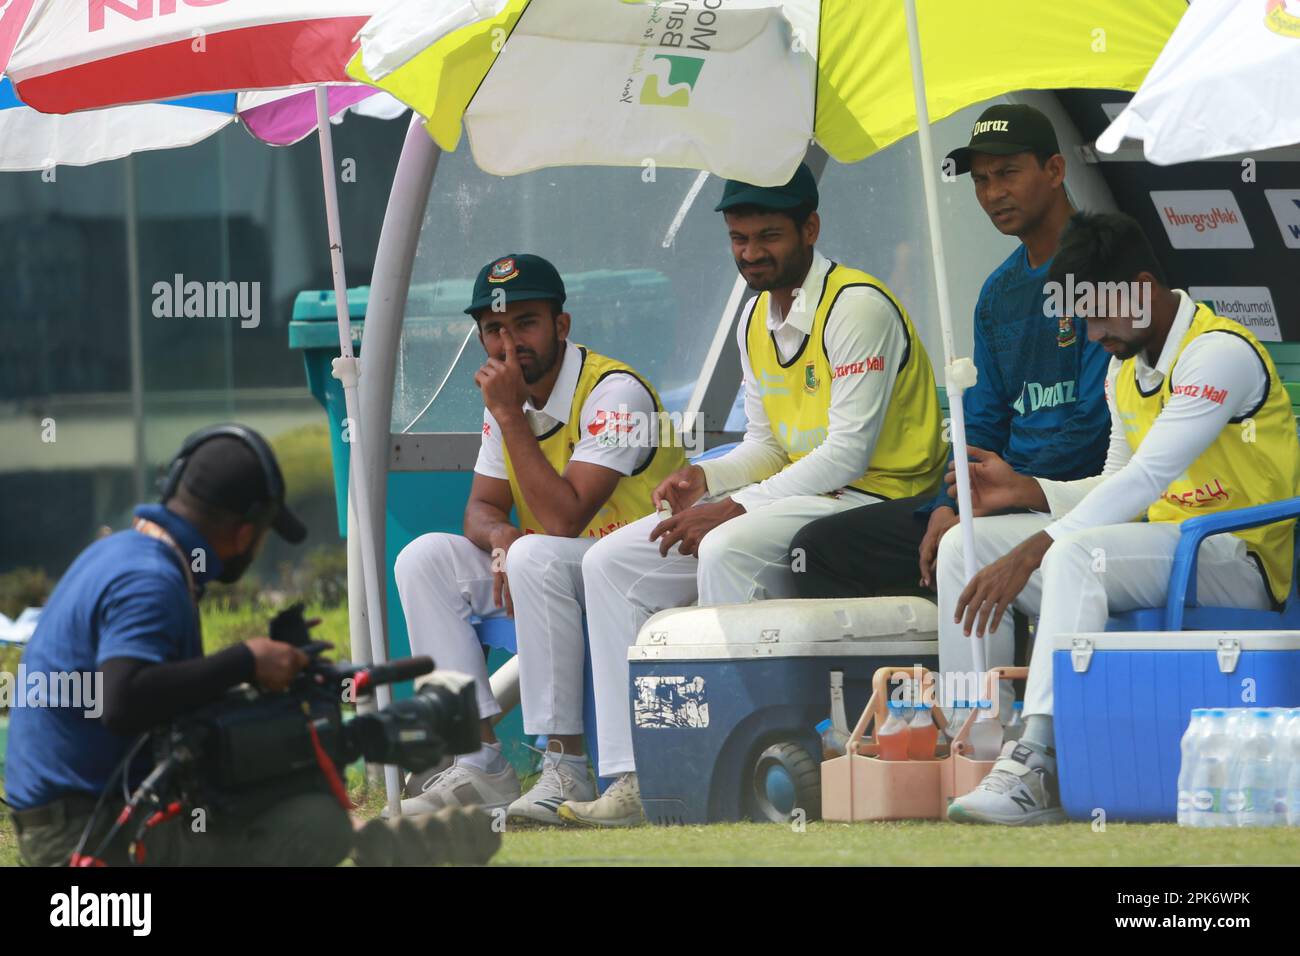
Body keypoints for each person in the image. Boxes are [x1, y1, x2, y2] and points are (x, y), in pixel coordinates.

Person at [559, 162, 948, 827]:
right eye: (739, 239)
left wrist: (735, 505)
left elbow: (847, 453)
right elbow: (769, 444)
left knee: (727, 547)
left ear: (810, 228)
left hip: (880, 499)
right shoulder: (753, 319)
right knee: (609, 564)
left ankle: (739, 764)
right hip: (808, 496)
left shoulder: (856, 306)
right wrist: (705, 479)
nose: (751, 254)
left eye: (768, 236)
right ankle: (635, 777)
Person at [940, 211, 1299, 825]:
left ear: (1140, 287)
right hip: (1167, 548)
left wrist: (1036, 547)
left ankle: (1038, 762)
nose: (1088, 330)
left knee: (1079, 554)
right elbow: (1115, 486)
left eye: (1097, 311)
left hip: (1238, 557)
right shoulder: (1123, 369)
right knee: (962, 545)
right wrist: (1029, 491)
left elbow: (1148, 478)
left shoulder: (1218, 354)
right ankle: (976, 739)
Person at [393, 253, 684, 824]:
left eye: (524, 323)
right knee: (423, 558)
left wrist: (508, 418)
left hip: (647, 565)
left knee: (535, 551)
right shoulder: (508, 399)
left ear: (561, 325)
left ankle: (565, 766)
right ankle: (479, 762)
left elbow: (563, 519)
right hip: (557, 567)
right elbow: (479, 509)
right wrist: (500, 538)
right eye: (493, 330)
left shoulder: (614, 393)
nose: (508, 344)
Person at [790, 104, 1110, 604]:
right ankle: (921, 676)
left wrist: (1006, 489)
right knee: (817, 549)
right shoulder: (998, 291)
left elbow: (1096, 423)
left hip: (1067, 497)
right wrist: (948, 500)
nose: (992, 193)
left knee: (957, 548)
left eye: (1007, 173)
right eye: (980, 179)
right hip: (992, 495)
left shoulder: (1106, 264)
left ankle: (986, 674)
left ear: (1054, 170)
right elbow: (982, 419)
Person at [5, 425, 355, 866]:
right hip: (86, 837)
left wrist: (257, 665)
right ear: (245, 535)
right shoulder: (150, 580)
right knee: (313, 823)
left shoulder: (123, 553)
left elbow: (164, 695)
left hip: (67, 819)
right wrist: (245, 660)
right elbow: (124, 699)